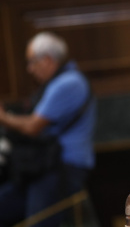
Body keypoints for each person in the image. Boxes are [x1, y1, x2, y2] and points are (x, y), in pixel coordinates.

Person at [0, 32, 96, 227]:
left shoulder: (68, 83)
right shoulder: (57, 82)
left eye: (32, 62)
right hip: (42, 165)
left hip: (61, 168)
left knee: (41, 223)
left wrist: (2, 117)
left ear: (47, 60)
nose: (30, 69)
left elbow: (32, 127)